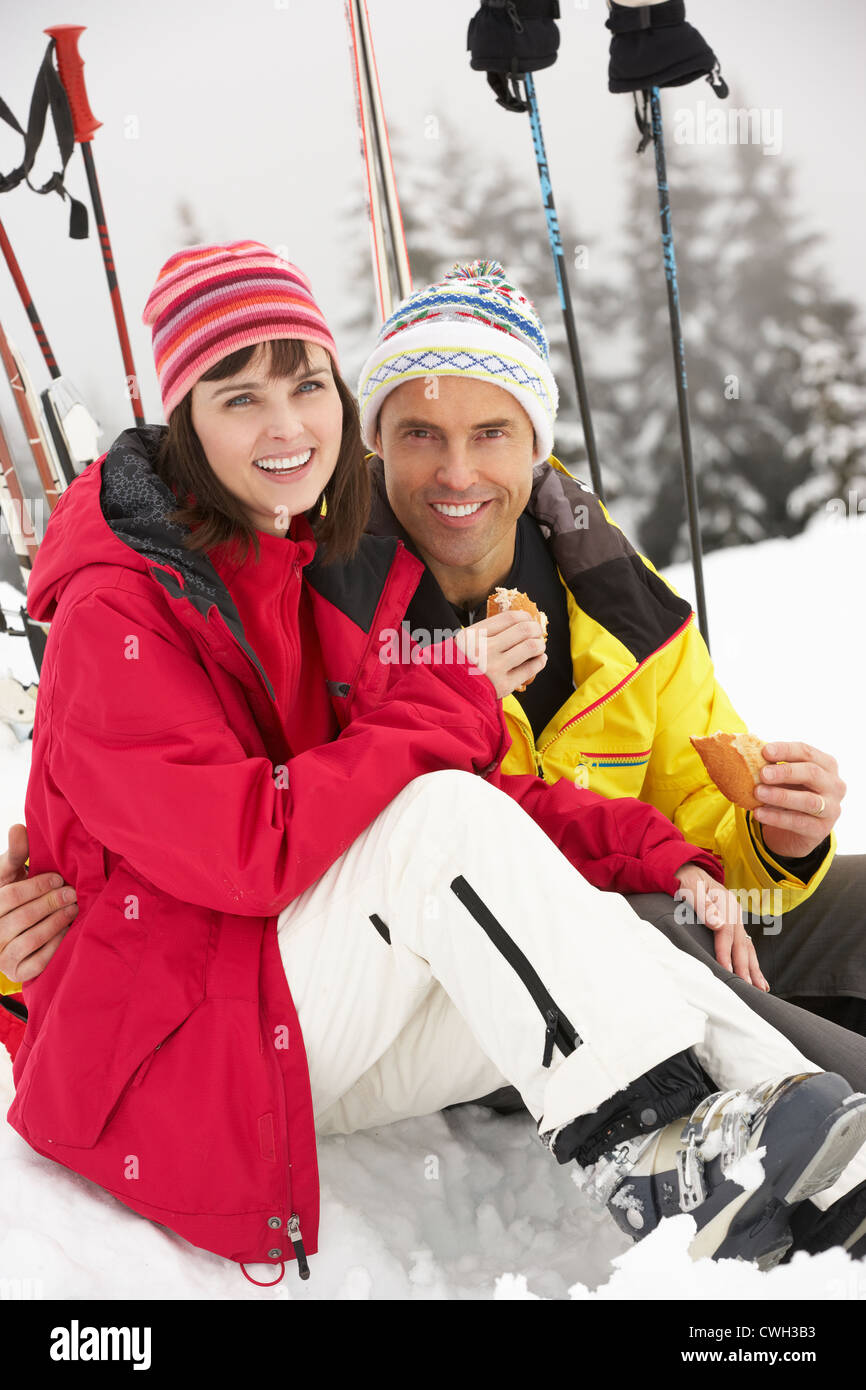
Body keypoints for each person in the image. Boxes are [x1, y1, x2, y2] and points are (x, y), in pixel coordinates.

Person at [1, 242, 865, 1282]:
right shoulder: (121, 610)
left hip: (279, 1002)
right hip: (177, 1057)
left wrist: (658, 849)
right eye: (238, 398)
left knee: (592, 918)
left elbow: (473, 810)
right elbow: (254, 848)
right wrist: (450, 694)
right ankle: (644, 1148)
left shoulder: (279, 562)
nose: (285, 427)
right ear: (184, 418)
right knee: (442, 818)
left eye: (306, 384)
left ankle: (822, 1159)